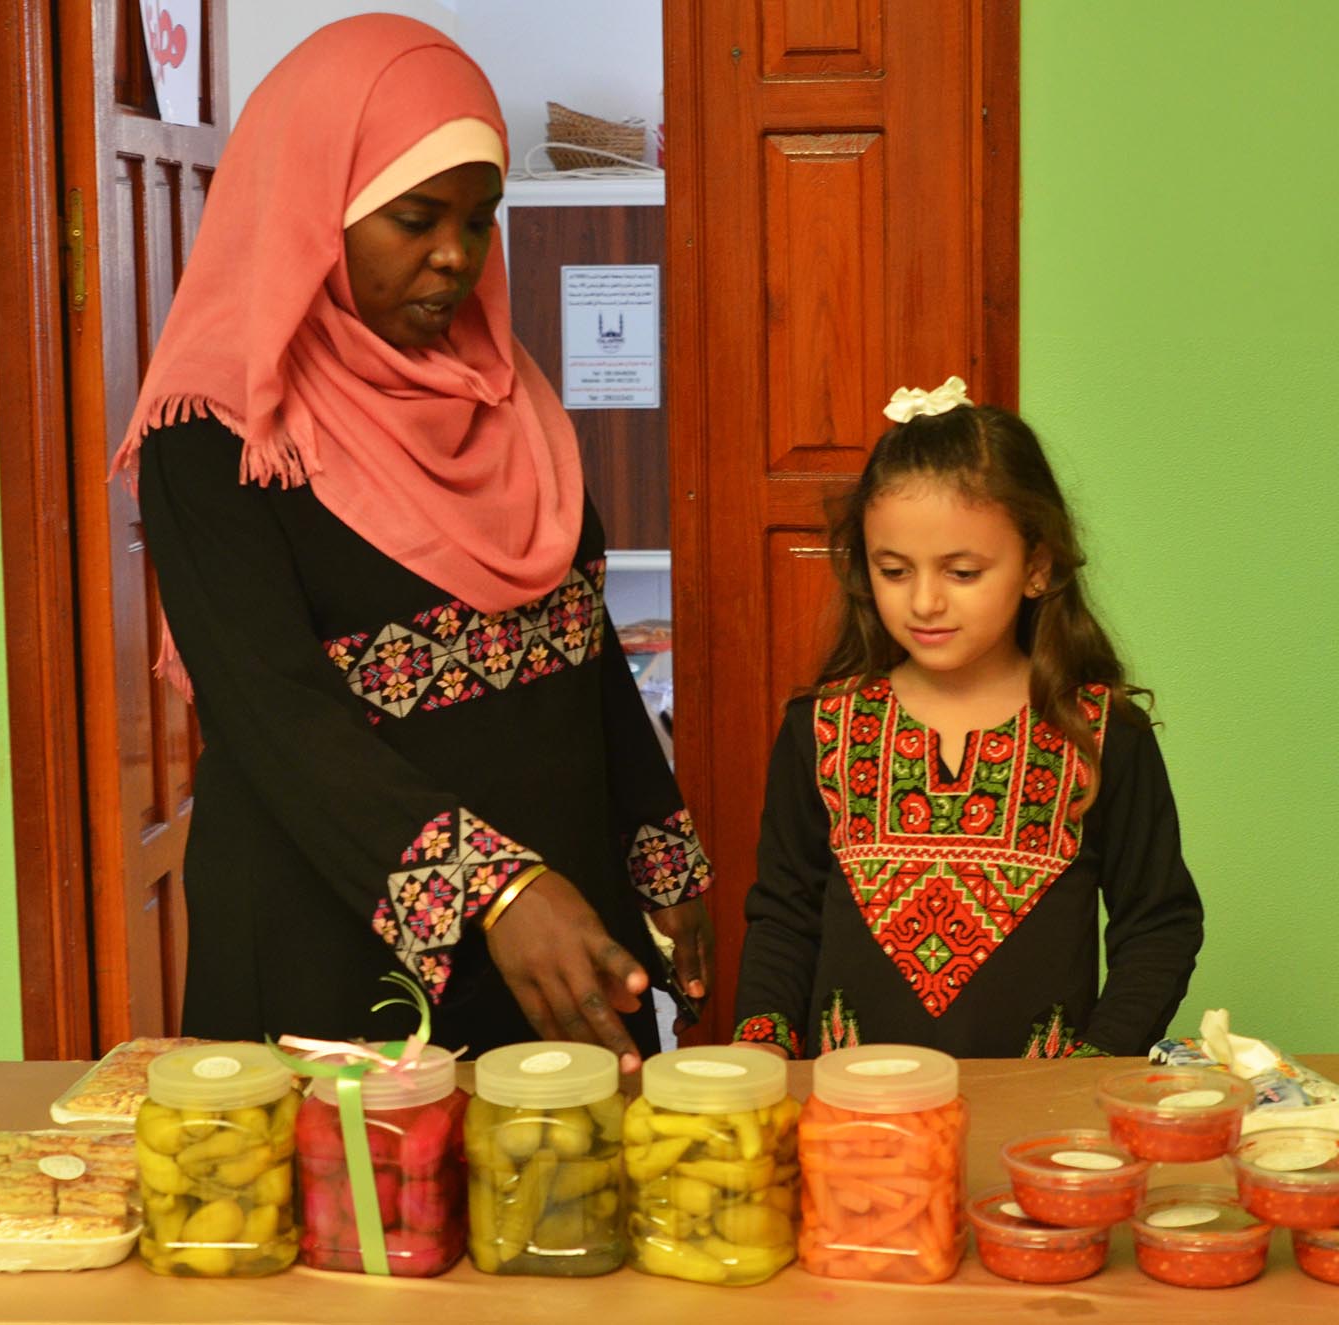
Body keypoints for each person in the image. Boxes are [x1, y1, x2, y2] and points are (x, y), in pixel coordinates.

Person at [114, 16, 714, 1071]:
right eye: (414, 217)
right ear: (312, 211)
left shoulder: (508, 395)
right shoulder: (215, 434)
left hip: (554, 934)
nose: (455, 255)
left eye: (478, 220)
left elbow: (583, 654)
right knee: (360, 1227)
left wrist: (660, 856)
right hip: (336, 949)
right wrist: (494, 887)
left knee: (565, 1222)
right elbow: (277, 718)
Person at [732, 378, 1202, 1059]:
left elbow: (1159, 925)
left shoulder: (1101, 733)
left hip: (1038, 1135)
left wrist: (1095, 1063)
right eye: (894, 570)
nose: (924, 601)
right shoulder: (822, 729)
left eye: (962, 572)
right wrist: (762, 1046)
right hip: (855, 1125)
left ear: (1036, 565)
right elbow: (784, 915)